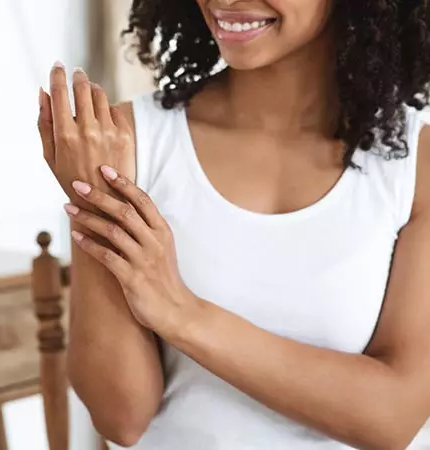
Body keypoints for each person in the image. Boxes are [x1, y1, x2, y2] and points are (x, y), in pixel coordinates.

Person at [37, 0, 430, 448]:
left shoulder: (415, 165)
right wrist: (95, 197)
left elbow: (392, 415)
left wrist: (181, 313)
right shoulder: (130, 140)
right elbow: (121, 418)